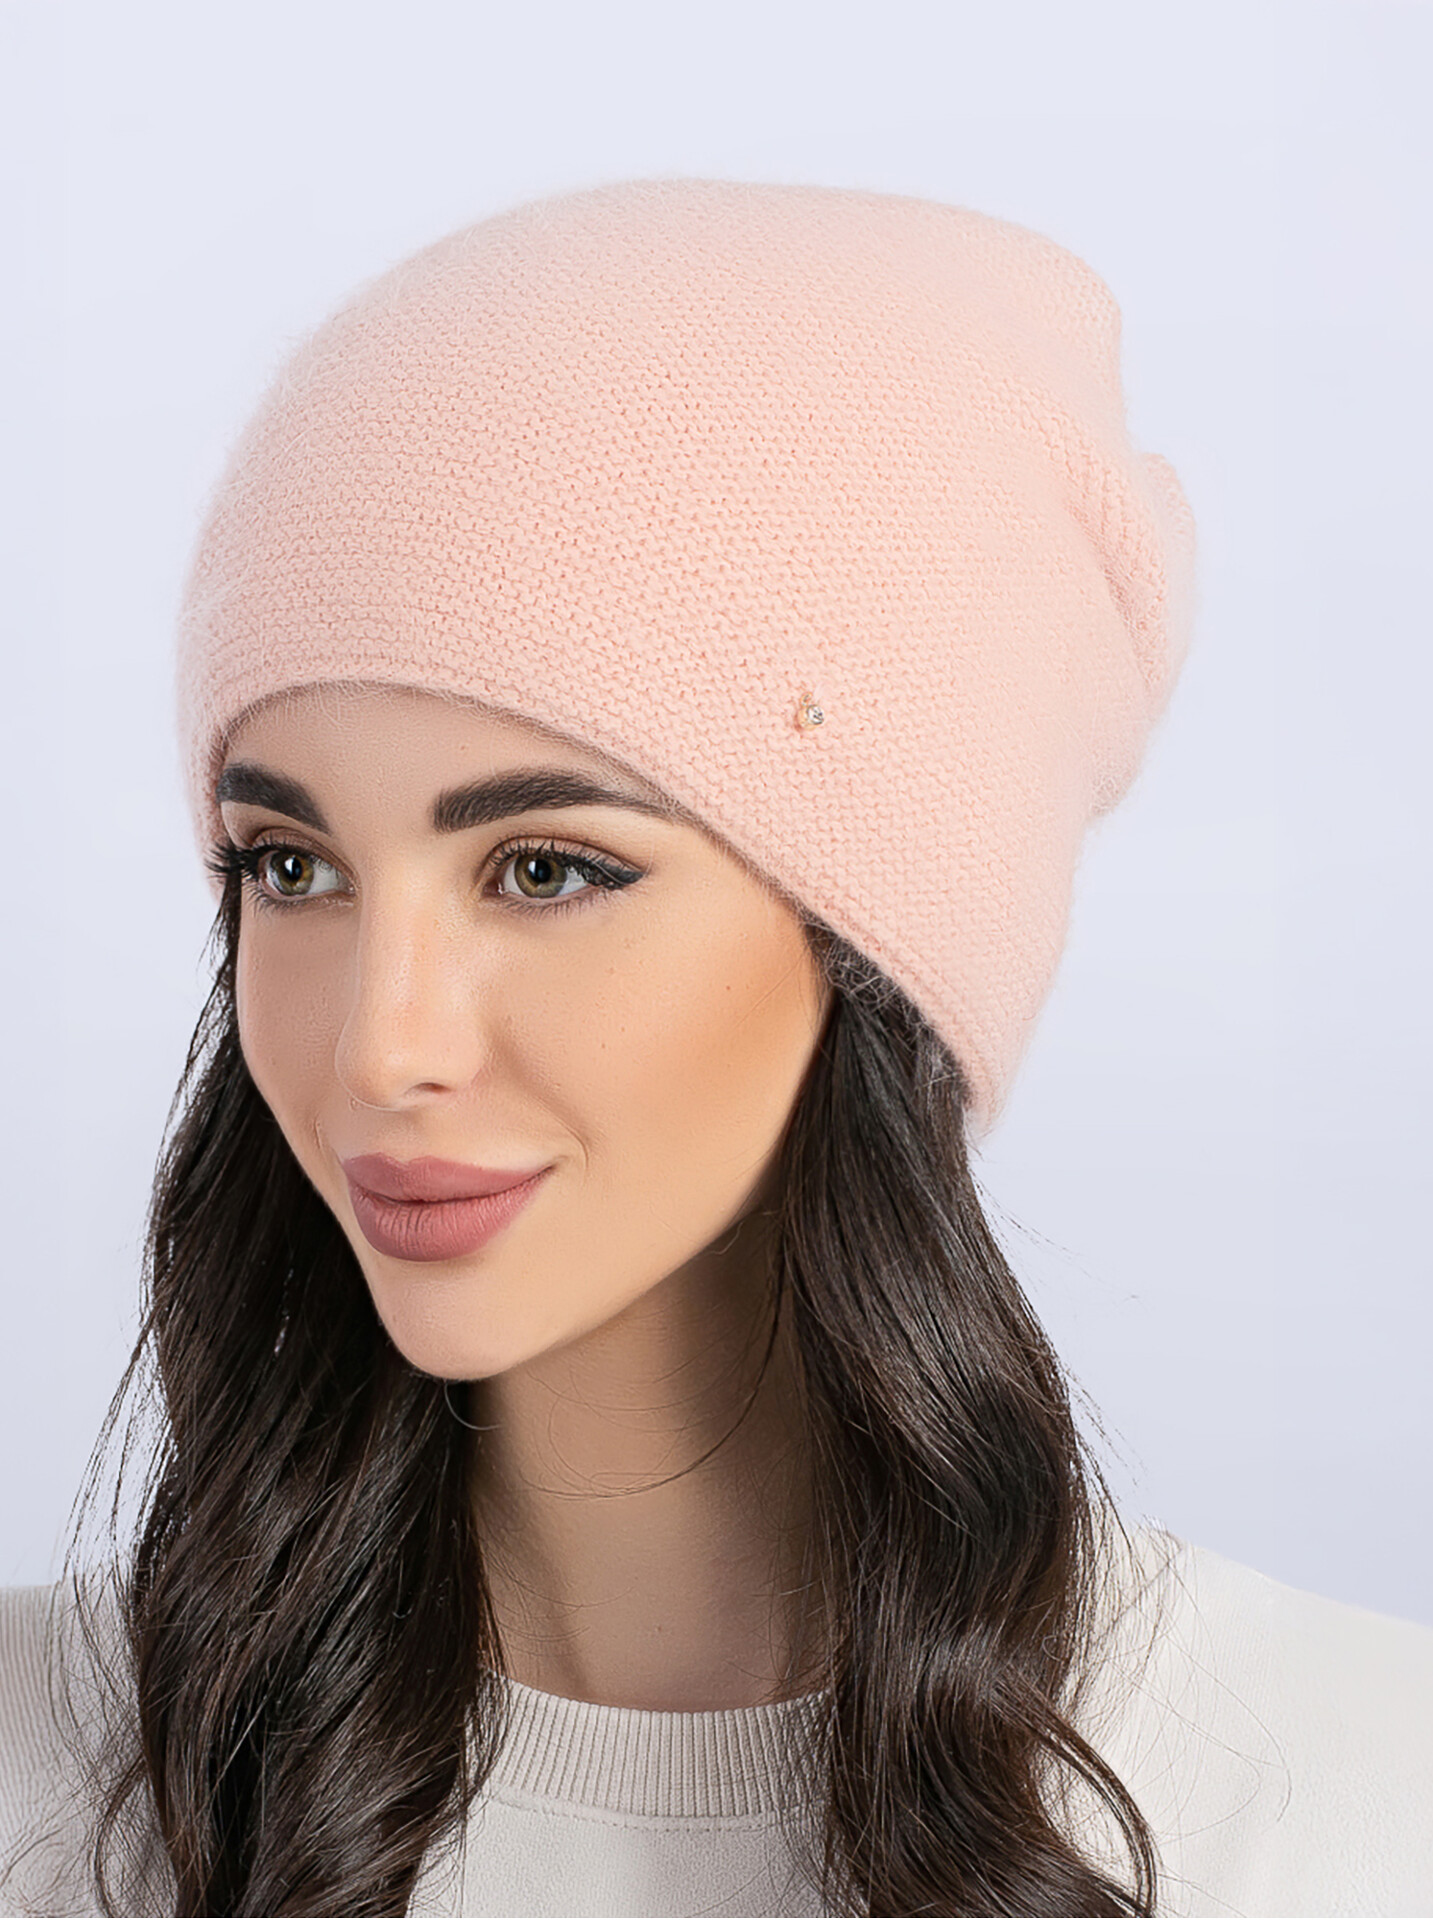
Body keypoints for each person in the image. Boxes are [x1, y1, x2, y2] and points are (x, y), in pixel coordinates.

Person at [1, 175, 1429, 1920]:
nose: (382, 1043)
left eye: (545, 869)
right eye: (289, 867)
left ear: (879, 945)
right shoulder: (37, 1778)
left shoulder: (1358, 1804)